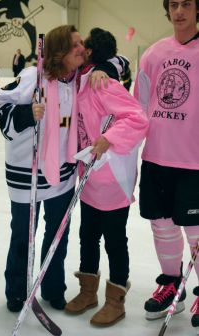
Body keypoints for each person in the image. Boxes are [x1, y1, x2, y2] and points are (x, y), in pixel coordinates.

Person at [0, 25, 85, 313]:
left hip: (62, 173)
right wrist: (26, 113)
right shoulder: (33, 77)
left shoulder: (78, 80)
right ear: (60, 52)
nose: (83, 48)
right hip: (26, 175)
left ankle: (53, 288)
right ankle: (17, 289)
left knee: (58, 234)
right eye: (76, 45)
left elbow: (116, 59)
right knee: (23, 235)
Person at [65, 27, 148, 326]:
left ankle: (116, 300)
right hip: (89, 177)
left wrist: (109, 137)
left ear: (90, 51)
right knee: (87, 235)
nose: (80, 49)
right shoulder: (84, 79)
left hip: (112, 177)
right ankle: (88, 292)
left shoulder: (104, 83)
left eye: (83, 45)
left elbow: (138, 118)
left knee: (114, 240)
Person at [134, 0, 199, 331]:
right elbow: (138, 106)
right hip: (156, 158)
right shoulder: (154, 53)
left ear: (197, 8)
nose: (179, 11)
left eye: (186, 4)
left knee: (195, 230)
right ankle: (171, 282)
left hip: (193, 162)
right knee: (161, 226)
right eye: (173, 5)